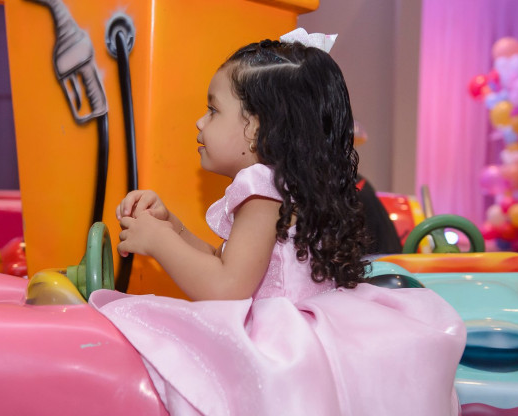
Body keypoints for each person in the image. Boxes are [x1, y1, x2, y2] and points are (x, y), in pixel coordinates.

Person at [89, 28, 465, 415]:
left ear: (255, 127)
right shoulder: (290, 186)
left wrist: (159, 242)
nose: (200, 123)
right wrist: (171, 226)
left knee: (150, 335)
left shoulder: (261, 189)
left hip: (280, 343)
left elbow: (227, 288)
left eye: (213, 110)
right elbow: (229, 264)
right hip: (315, 330)